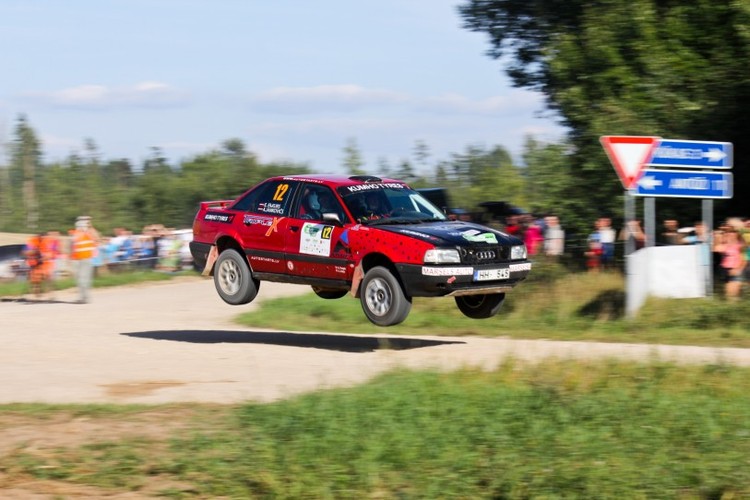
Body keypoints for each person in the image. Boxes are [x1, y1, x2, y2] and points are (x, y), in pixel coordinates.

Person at [70, 216, 98, 303]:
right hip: (77, 259)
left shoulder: (88, 232)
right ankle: (82, 297)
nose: (79, 224)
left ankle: (85, 298)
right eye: (79, 222)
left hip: (86, 258)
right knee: (78, 279)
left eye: (82, 222)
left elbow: (96, 237)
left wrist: (90, 225)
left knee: (83, 279)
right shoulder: (76, 233)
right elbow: (73, 246)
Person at [713, 225, 746, 301]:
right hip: (725, 270)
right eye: (727, 232)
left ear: (737, 234)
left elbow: (745, 259)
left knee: (732, 295)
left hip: (736, 270)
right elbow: (716, 249)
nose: (729, 234)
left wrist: (738, 269)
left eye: (732, 232)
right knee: (729, 296)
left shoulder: (741, 245)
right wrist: (717, 237)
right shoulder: (725, 245)